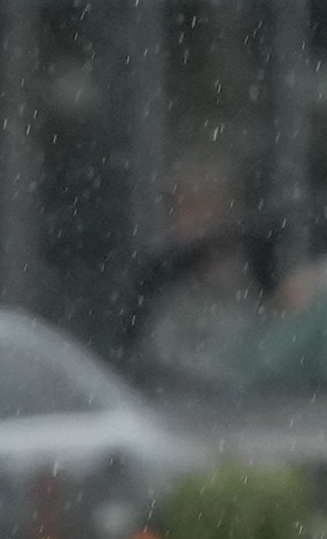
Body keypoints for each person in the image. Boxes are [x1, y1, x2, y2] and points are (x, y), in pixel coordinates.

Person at [118, 151, 285, 393]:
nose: (190, 216)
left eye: (201, 202)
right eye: (181, 204)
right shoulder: (156, 278)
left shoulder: (258, 264)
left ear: (227, 207)